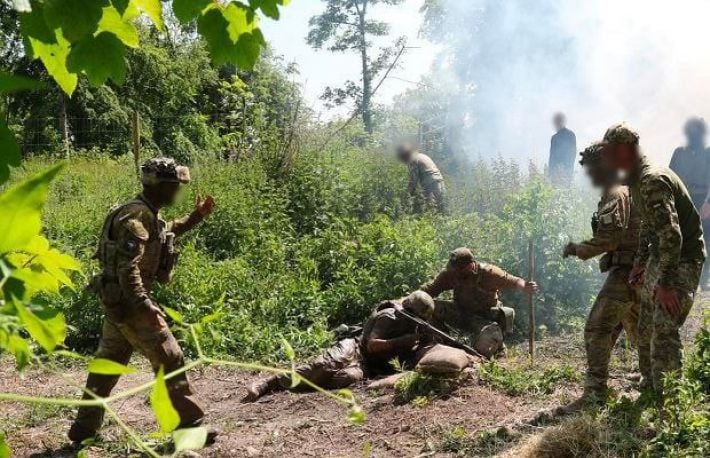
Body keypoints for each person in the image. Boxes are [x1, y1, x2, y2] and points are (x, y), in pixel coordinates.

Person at [68, 158, 217, 443]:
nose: (178, 191)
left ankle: (84, 428)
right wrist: (144, 305)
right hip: (130, 304)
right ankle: (189, 428)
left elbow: (165, 232)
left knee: (108, 363)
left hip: (117, 303)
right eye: (175, 186)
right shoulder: (137, 215)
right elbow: (127, 267)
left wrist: (196, 216)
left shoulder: (144, 212)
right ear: (161, 186)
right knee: (170, 358)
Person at [601, 124, 705, 397]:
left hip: (683, 259)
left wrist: (667, 284)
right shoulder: (637, 181)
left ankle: (669, 399)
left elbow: (672, 235)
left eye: (611, 153)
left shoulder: (652, 181)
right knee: (646, 323)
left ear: (626, 151)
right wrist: (640, 262)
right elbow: (649, 226)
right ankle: (649, 383)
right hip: (663, 256)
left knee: (663, 326)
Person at [241, 291, 440, 402]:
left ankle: (304, 383)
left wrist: (422, 341)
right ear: (408, 308)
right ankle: (271, 382)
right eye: (414, 316)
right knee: (326, 365)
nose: (415, 320)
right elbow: (372, 345)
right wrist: (403, 341)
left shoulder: (413, 325)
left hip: (367, 365)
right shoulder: (389, 316)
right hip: (356, 348)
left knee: (346, 378)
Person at [560, 143, 641, 412]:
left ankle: (594, 395)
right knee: (640, 331)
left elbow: (610, 238)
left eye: (592, 169)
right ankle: (655, 383)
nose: (590, 176)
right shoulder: (623, 191)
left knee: (597, 329)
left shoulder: (615, 193)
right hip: (636, 272)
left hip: (626, 272)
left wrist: (578, 248)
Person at [419, 248, 538, 358]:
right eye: (455, 268)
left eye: (460, 269)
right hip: (461, 312)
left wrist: (525, 286)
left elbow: (514, 281)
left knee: (485, 346)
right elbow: (430, 289)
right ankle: (443, 341)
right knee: (430, 306)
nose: (456, 272)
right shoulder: (451, 274)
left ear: (470, 265)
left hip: (484, 318)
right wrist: (412, 298)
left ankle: (498, 347)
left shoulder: (489, 273)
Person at [669, 117, 710, 289]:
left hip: (704, 199)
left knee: (706, 239)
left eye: (697, 130)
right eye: (690, 130)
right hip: (683, 200)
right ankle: (683, 277)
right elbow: (670, 177)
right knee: (683, 237)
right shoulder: (679, 153)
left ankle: (703, 280)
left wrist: (708, 203)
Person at [396, 143, 446, 212]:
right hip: (440, 181)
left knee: (431, 210)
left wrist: (407, 195)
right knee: (440, 209)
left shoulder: (412, 160)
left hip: (431, 185)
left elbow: (413, 180)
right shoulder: (421, 155)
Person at [548, 113, 577, 185]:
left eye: (557, 122)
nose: (556, 124)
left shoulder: (570, 135)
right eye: (556, 122)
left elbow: (572, 154)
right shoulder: (555, 138)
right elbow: (552, 157)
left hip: (564, 171)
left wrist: (568, 170)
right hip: (559, 172)